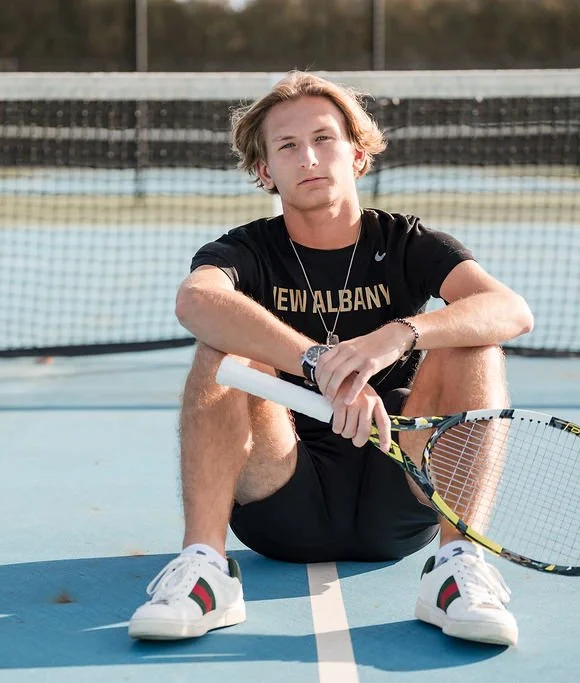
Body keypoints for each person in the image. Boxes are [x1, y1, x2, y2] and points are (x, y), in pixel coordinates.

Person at [127, 71, 534, 647]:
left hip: (400, 485)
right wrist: (321, 363)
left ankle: (455, 570)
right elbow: (197, 299)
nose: (309, 157)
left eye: (324, 138)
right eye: (287, 146)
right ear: (265, 170)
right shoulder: (248, 249)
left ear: (359, 154)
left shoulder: (407, 243)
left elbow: (510, 309)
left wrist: (400, 334)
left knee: (473, 339)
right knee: (222, 347)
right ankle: (207, 571)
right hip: (282, 494)